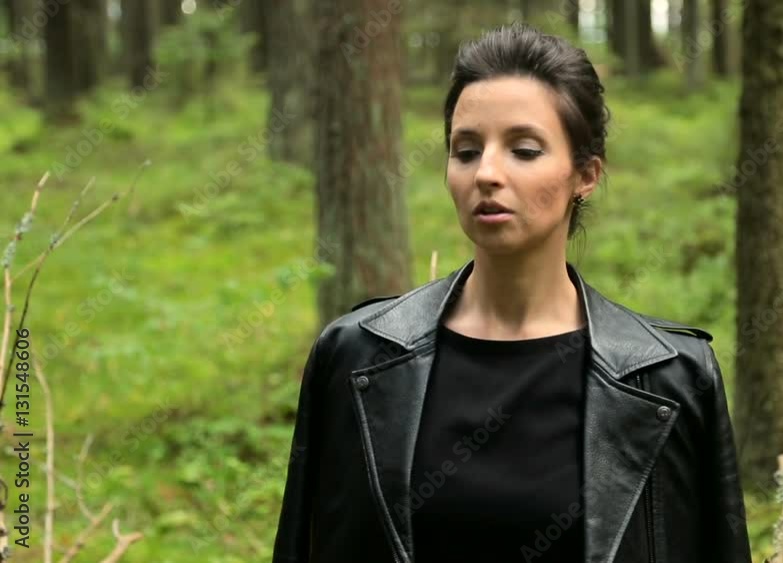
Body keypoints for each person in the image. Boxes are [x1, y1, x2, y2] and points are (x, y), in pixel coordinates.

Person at [272, 22, 751, 563]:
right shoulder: (356, 358)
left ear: (586, 175)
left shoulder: (670, 379)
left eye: (523, 150)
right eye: (466, 151)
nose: (486, 173)